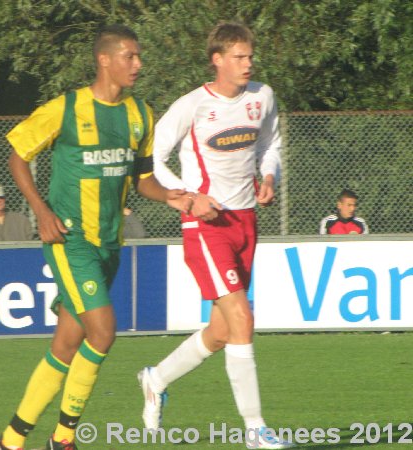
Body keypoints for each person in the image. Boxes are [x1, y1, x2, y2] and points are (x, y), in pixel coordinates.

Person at [0, 24, 191, 450]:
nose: (138, 64)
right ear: (104, 60)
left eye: (138, 57)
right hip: (71, 239)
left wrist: (171, 197)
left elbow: (142, 179)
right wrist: (41, 212)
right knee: (103, 331)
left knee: (67, 344)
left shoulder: (140, 113)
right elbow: (17, 156)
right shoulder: (66, 108)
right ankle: (63, 439)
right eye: (130, 56)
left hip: (109, 244)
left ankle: (10, 441)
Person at [139, 22, 294, 449]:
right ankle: (256, 431)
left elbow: (271, 145)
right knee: (244, 318)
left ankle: (156, 378)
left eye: (250, 56)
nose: (248, 63)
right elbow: (153, 158)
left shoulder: (262, 97)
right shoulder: (191, 106)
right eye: (240, 56)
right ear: (217, 59)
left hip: (245, 222)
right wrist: (189, 198)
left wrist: (268, 175)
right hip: (205, 226)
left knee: (223, 330)